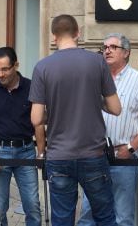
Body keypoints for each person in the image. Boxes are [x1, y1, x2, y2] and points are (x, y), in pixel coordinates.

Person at [29, 14, 121, 226]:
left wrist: (54, 108)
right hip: (93, 154)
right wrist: (93, 99)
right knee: (105, 217)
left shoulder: (42, 67)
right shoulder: (97, 61)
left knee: (62, 220)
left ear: (54, 37)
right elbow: (116, 109)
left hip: (59, 155)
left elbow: (36, 119)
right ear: (78, 33)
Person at [78, 34, 138, 226]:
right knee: (88, 215)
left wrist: (131, 148)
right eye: (105, 47)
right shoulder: (94, 79)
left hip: (123, 157)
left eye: (113, 47)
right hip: (94, 156)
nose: (107, 50)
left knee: (123, 217)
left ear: (126, 52)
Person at [0, 47, 44, 226]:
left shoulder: (31, 87)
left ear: (16, 66)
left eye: (5, 69)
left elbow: (38, 124)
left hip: (26, 152)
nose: (0, 74)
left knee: (33, 206)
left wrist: (41, 153)